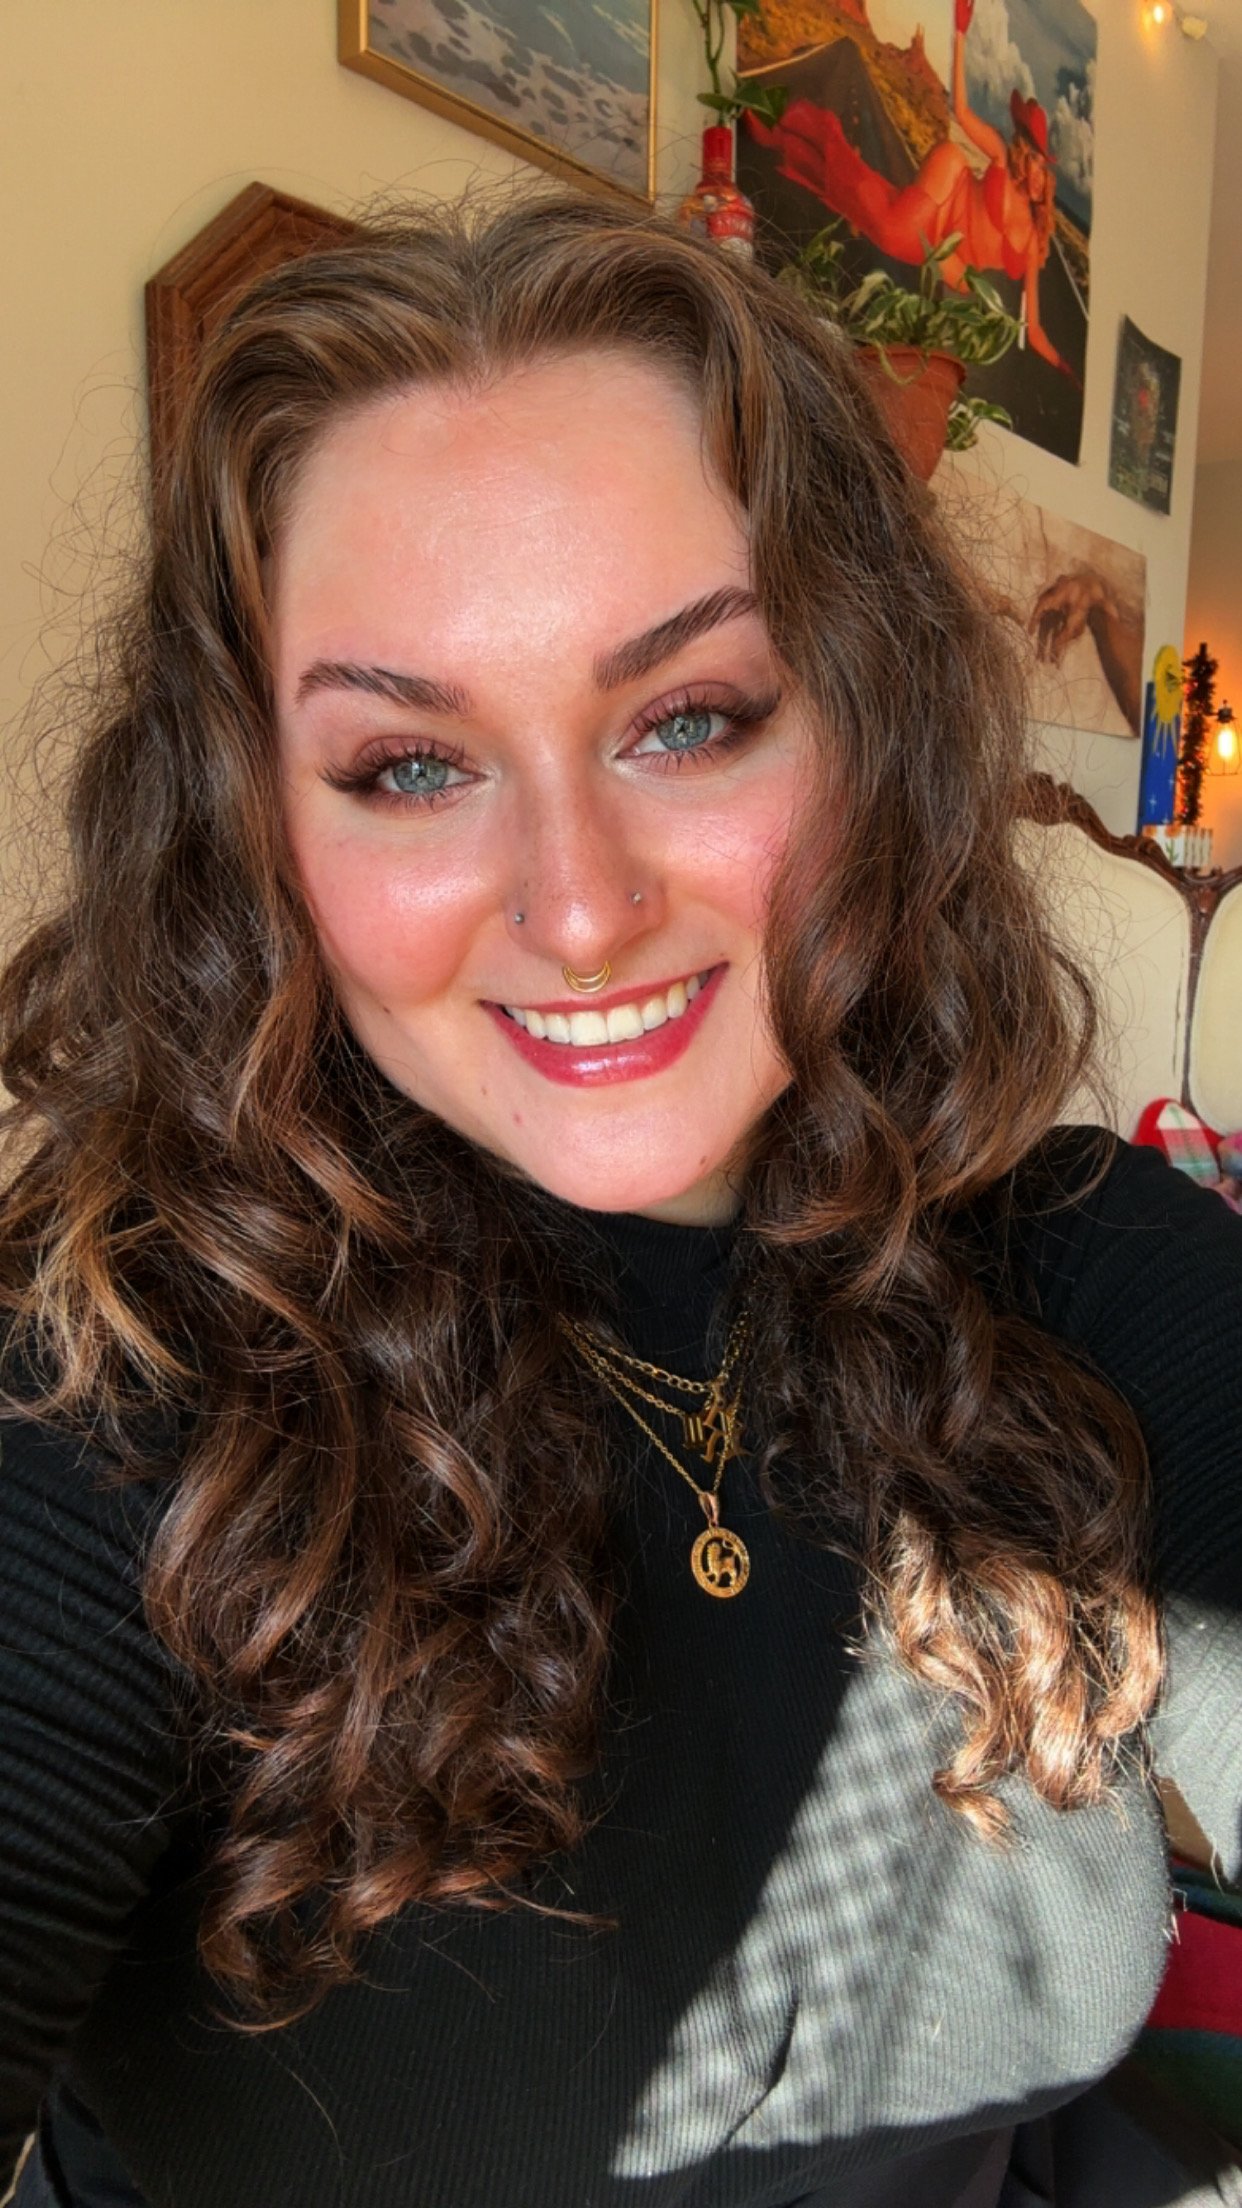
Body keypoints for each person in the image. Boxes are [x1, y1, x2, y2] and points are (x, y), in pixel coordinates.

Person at [0, 190, 1238, 2208]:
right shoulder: (115, 1402)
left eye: (690, 720)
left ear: (867, 729)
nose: (578, 909)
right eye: (410, 765)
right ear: (257, 827)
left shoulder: (1067, 1262)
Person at [745, 0, 1078, 382]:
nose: (1037, 172)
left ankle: (790, 134)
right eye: (1033, 158)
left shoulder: (1035, 241)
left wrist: (1068, 371)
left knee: (858, 197)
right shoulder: (1000, 159)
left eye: (1042, 165)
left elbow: (1033, 329)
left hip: (941, 246)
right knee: (887, 227)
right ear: (1021, 151)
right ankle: (794, 125)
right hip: (945, 184)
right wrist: (960, 34)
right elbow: (962, 112)